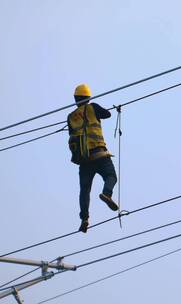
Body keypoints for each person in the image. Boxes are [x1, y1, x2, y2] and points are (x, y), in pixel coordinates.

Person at [67, 84, 119, 233]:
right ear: (88, 97)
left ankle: (84, 218)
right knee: (111, 176)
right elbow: (107, 114)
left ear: (76, 99)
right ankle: (106, 194)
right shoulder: (93, 107)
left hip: (84, 159)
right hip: (100, 154)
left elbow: (71, 132)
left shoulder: (70, 116)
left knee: (84, 190)